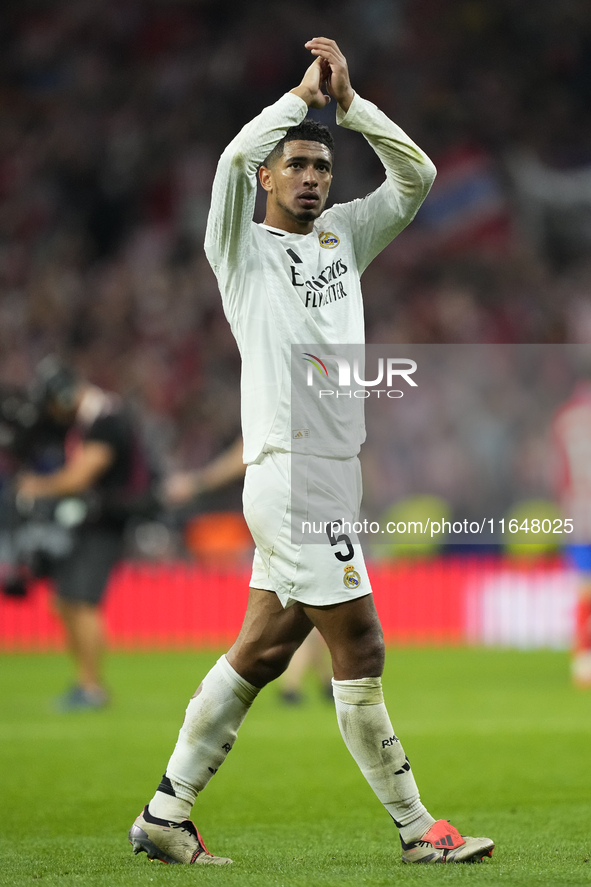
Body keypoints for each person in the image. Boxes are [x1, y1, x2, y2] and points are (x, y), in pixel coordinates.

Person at [129, 38, 494, 866]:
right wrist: (297, 102)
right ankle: (416, 828)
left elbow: (418, 179)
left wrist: (352, 107)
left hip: (335, 472)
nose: (310, 178)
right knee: (358, 646)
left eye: (321, 169)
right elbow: (229, 159)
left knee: (260, 649)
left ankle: (164, 812)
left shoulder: (344, 239)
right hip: (291, 475)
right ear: (269, 175)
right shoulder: (240, 253)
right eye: (295, 165)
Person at [16, 356, 154, 710]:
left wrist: (38, 487)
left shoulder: (105, 419)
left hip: (104, 522)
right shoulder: (95, 418)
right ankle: (84, 683)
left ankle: (91, 687)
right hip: (90, 521)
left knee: (83, 602)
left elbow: (81, 476)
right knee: (65, 601)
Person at [552, 375, 591, 688]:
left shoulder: (565, 419)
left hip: (578, 511)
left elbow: (561, 473)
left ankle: (583, 660)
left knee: (583, 588)